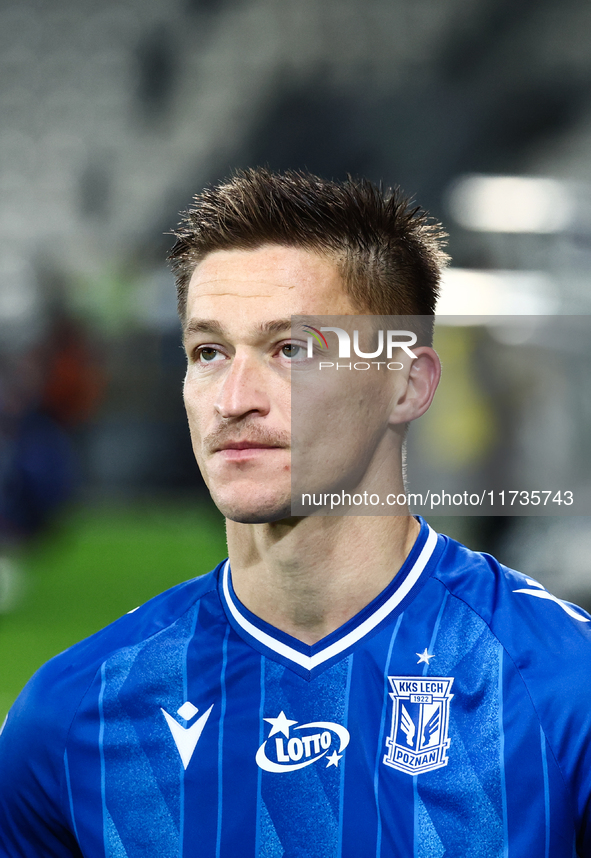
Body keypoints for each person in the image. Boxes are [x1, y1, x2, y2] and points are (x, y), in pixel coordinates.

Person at [1, 168, 590, 858]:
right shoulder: (72, 718)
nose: (234, 398)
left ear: (408, 384)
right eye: (209, 352)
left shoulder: (560, 688)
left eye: (291, 350)